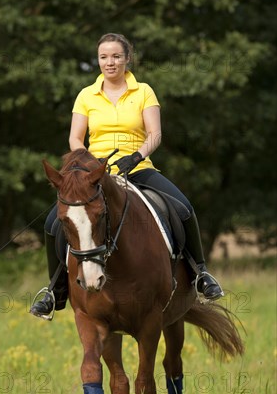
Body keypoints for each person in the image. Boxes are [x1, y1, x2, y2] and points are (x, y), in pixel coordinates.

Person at [31, 33, 223, 319]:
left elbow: (155, 133)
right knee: (52, 223)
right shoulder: (86, 95)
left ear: (127, 59)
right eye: (104, 57)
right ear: (98, 61)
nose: (110, 62)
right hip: (95, 175)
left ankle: (201, 275)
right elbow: (75, 138)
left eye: (116, 56)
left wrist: (136, 157)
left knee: (182, 208)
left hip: (139, 168)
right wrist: (90, 165)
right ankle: (55, 290)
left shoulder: (143, 91)